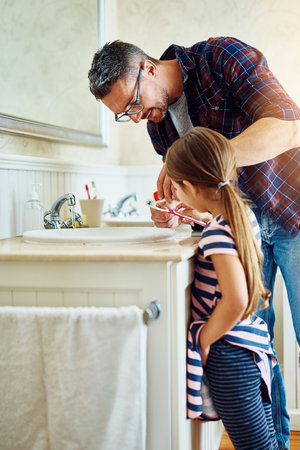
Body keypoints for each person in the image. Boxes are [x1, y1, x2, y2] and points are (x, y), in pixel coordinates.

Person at [88, 37, 300, 448]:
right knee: (259, 346)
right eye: (123, 115)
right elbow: (205, 198)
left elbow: (289, 126)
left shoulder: (221, 58)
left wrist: (206, 164)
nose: (135, 118)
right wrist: (180, 213)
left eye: (132, 104)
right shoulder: (158, 124)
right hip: (244, 228)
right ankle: (271, 441)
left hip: (292, 209)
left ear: (148, 68)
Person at [165, 126, 278, 449]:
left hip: (228, 351)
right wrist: (202, 215)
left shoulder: (217, 233)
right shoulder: (241, 216)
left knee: (253, 445)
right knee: (264, 441)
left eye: (177, 188)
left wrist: (204, 338)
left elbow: (236, 299)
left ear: (188, 186)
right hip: (249, 343)